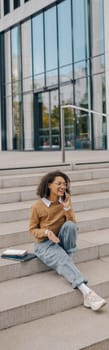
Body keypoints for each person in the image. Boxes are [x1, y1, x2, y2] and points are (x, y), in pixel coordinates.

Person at [29, 170, 106, 311]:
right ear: (49, 185)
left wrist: (67, 207)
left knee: (70, 226)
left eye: (64, 184)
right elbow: (32, 229)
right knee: (62, 259)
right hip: (44, 243)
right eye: (59, 183)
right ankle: (87, 293)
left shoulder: (64, 201)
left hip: (62, 239)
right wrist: (47, 232)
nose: (63, 187)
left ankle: (67, 260)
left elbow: (73, 225)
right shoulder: (37, 206)